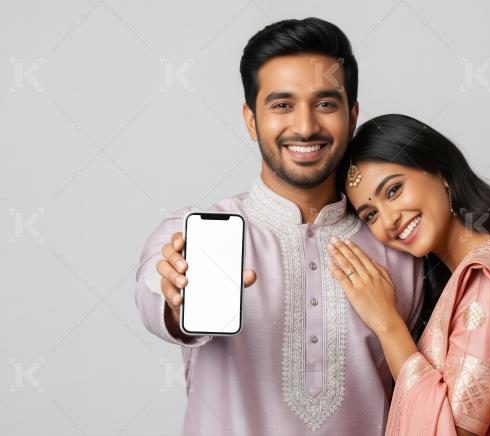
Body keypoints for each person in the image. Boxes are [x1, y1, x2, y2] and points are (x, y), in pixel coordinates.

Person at [134, 21, 424, 435]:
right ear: (251, 120)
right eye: (282, 105)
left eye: (325, 104)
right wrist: (176, 299)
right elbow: (155, 294)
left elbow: (430, 394)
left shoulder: (400, 244)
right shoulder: (193, 235)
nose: (305, 127)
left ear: (352, 116)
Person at [327, 114, 490, 435]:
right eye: (370, 215)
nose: (390, 219)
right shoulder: (485, 268)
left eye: (393, 190)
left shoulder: (488, 272)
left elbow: (451, 429)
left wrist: (386, 323)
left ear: (440, 172)